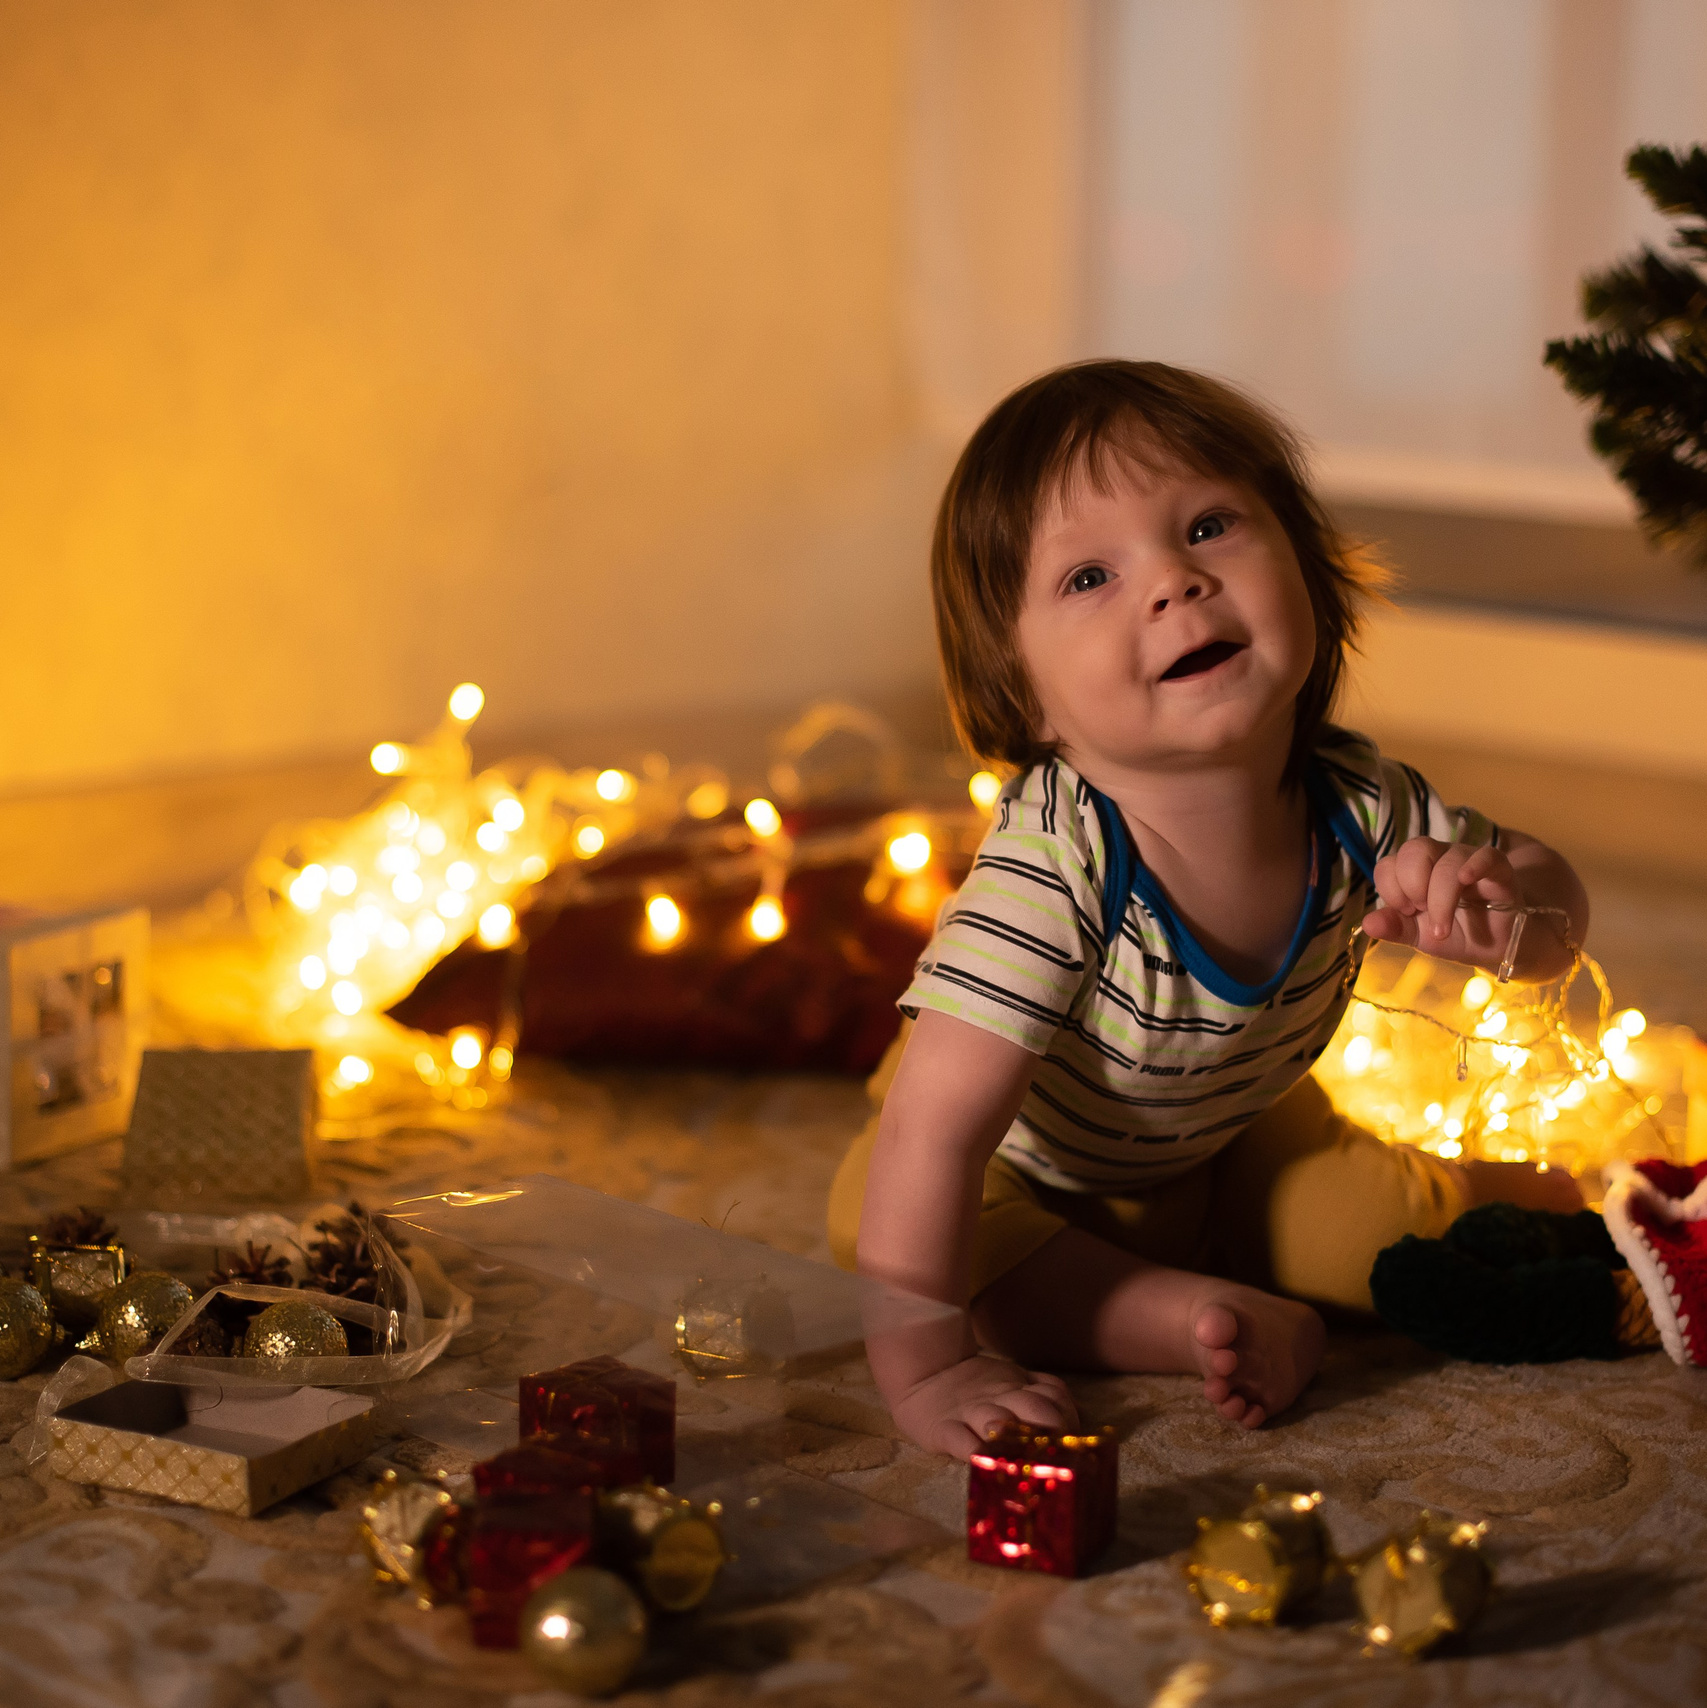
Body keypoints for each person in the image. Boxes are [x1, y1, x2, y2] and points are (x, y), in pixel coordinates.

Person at [827, 361, 1588, 1460]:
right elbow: (936, 1138)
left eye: (1212, 525)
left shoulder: (1363, 804)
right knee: (892, 1237)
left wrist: (1510, 910)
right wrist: (931, 1372)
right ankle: (1192, 1318)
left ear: (1310, 571)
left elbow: (1558, 929)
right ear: (1021, 687)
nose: (1173, 583)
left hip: (1232, 1138)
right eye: (1090, 575)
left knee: (1395, 1248)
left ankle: (1531, 1195)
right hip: (1019, 1158)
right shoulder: (1057, 862)